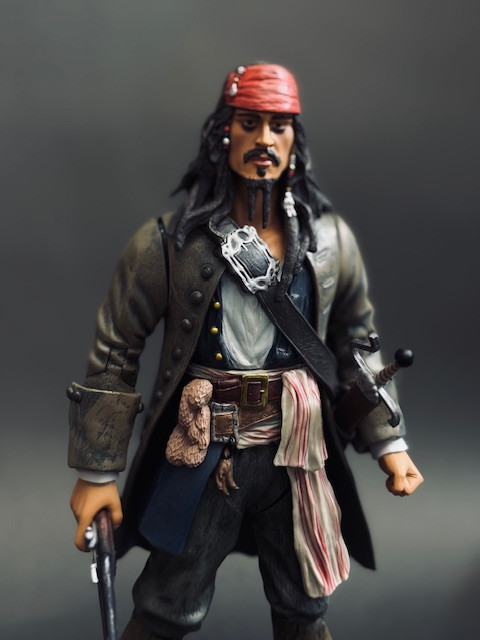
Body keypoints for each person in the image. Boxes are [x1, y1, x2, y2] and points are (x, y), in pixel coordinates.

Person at [68, 63, 423, 640]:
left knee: (304, 604)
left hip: (296, 452)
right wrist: (96, 471)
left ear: (295, 142)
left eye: (279, 126)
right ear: (223, 137)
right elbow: (117, 349)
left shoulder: (330, 243)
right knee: (167, 604)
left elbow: (357, 341)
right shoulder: (169, 243)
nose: (265, 139)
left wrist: (389, 442)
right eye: (250, 123)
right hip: (206, 449)